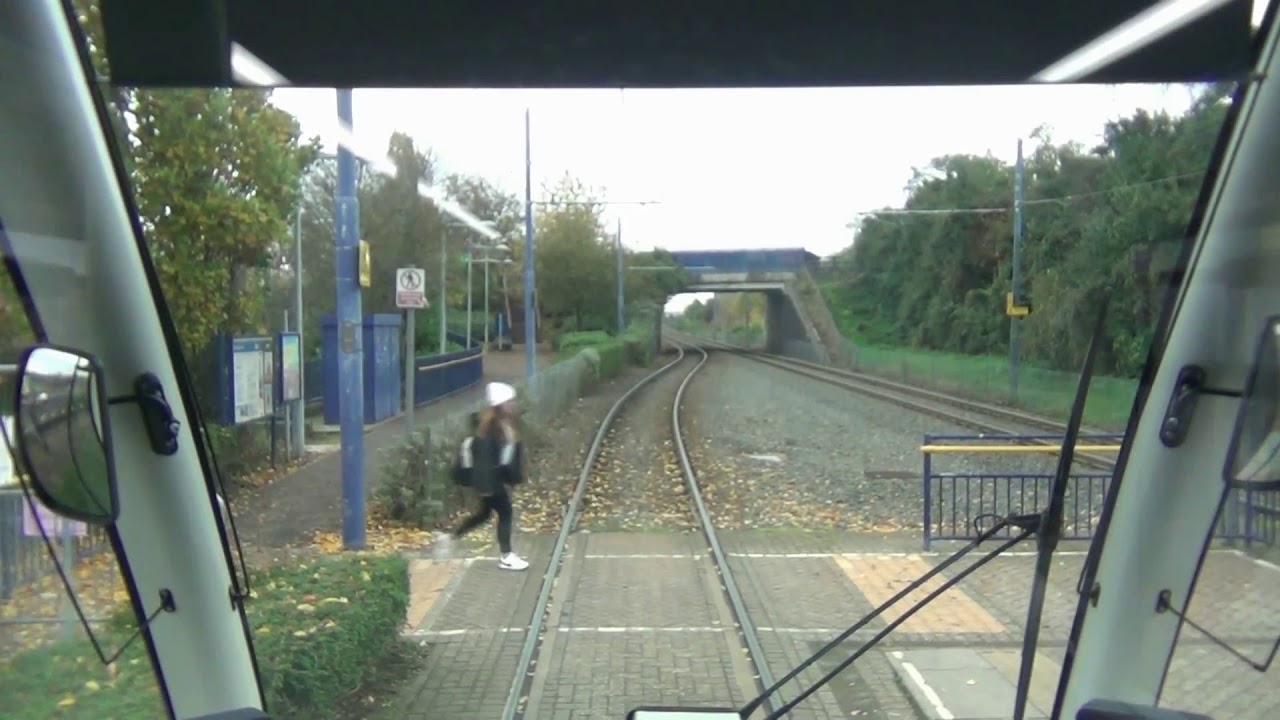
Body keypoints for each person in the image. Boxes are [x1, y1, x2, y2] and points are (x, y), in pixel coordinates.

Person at [433, 381, 529, 570]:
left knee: (484, 514)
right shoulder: (491, 428)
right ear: (500, 404)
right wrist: (487, 488)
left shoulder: (498, 424)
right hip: (490, 483)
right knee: (505, 512)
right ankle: (506, 556)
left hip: (492, 481)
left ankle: (450, 537)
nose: (512, 405)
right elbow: (486, 460)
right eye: (509, 402)